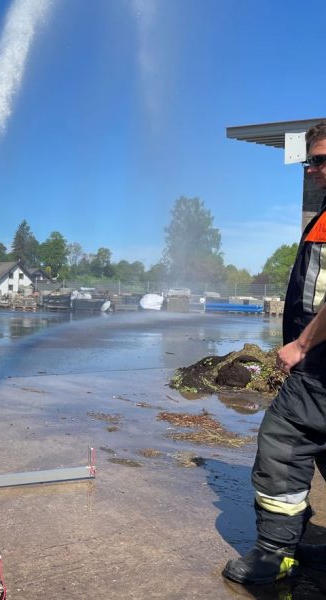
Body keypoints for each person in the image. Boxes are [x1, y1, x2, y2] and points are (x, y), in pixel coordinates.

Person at [223, 123, 326, 586]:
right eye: (310, 160)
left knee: (284, 443)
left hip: (318, 369)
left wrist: (302, 344)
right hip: (317, 369)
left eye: (321, 159)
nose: (312, 168)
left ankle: (275, 553)